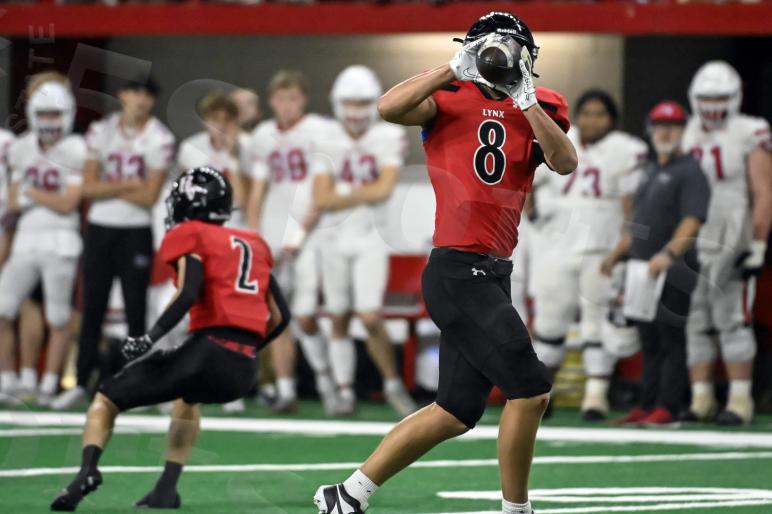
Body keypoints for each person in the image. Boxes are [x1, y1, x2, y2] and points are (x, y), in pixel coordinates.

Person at [314, 12, 576, 514]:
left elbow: (565, 162)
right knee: (531, 390)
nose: (500, 57)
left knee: (455, 411)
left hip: (493, 272)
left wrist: (524, 99)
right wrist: (455, 66)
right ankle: (517, 511)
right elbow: (388, 107)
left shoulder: (542, 103)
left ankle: (347, 495)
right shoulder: (449, 94)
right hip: (458, 269)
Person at [50, 166, 289, 511]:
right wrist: (247, 350)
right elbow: (280, 317)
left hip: (207, 353)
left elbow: (188, 291)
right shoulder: (255, 242)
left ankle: (86, 472)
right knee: (188, 400)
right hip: (244, 370)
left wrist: (149, 338)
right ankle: (166, 490)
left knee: (105, 398)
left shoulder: (190, 233)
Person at [51, 77, 175, 410]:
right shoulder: (101, 131)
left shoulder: (160, 137)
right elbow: (89, 187)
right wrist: (129, 184)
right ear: (122, 95)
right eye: (134, 93)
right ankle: (81, 382)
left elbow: (150, 196)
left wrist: (111, 185)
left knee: (136, 310)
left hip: (135, 230)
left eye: (147, 95)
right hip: (100, 228)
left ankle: (137, 382)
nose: (140, 100)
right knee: (92, 306)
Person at [529, 90, 648, 421]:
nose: (592, 120)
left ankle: (595, 397)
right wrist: (532, 214)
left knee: (597, 324)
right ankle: (541, 395)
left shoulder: (626, 149)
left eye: (600, 114)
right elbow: (528, 179)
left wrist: (623, 248)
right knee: (549, 322)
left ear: (612, 119)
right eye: (587, 113)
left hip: (601, 248)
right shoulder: (561, 138)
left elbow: (632, 208)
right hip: (556, 247)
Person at [312, 65, 416, 418]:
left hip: (371, 237)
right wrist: (359, 193)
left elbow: (383, 189)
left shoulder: (388, 135)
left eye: (361, 103)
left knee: (370, 316)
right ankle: (344, 391)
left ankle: (392, 384)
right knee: (338, 316)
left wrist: (341, 193)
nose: (355, 111)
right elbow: (321, 197)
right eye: (350, 103)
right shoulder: (324, 136)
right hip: (332, 238)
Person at [603, 101, 710, 425]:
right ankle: (647, 403)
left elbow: (693, 219)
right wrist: (616, 254)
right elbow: (638, 221)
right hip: (641, 267)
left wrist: (668, 255)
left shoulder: (690, 170)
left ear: (683, 131)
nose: (666, 132)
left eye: (673, 127)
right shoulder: (650, 169)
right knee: (648, 339)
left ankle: (668, 405)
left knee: (670, 337)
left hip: (674, 267)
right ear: (651, 130)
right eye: (661, 126)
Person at [681, 61, 771, 425]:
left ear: (735, 98)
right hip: (692, 237)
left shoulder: (751, 130)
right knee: (695, 320)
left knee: (733, 319)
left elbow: (763, 192)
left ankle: (739, 400)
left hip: (733, 235)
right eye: (707, 97)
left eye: (720, 97)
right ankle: (701, 399)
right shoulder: (687, 131)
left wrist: (758, 245)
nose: (713, 105)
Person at [245, 70, 336, 413]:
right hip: (273, 231)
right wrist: (255, 237)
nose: (287, 106)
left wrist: (296, 237)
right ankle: (286, 389)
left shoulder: (319, 130)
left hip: (312, 234)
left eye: (293, 98)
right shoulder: (263, 135)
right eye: (281, 99)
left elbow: (321, 191)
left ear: (304, 100)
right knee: (278, 315)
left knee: (306, 314)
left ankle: (326, 379)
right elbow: (257, 191)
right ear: (272, 101)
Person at [0, 72, 86, 406]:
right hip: (25, 239)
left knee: (59, 316)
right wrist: (40, 196)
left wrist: (33, 193)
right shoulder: (21, 148)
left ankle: (49, 385)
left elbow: (68, 204)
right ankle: (10, 380)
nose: (49, 121)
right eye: (44, 114)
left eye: (55, 114)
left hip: (61, 241)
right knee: (4, 308)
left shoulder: (76, 148)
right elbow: (13, 201)